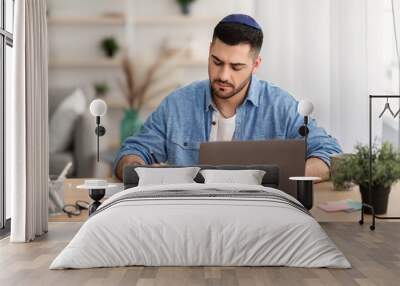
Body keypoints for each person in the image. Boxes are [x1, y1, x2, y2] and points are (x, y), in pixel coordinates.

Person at [113, 14, 342, 181]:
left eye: (236, 66)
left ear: (255, 65)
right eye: (217, 62)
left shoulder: (281, 106)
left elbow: (330, 153)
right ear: (210, 50)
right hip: (189, 216)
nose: (223, 75)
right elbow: (131, 152)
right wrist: (137, 169)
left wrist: (280, 174)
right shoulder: (177, 105)